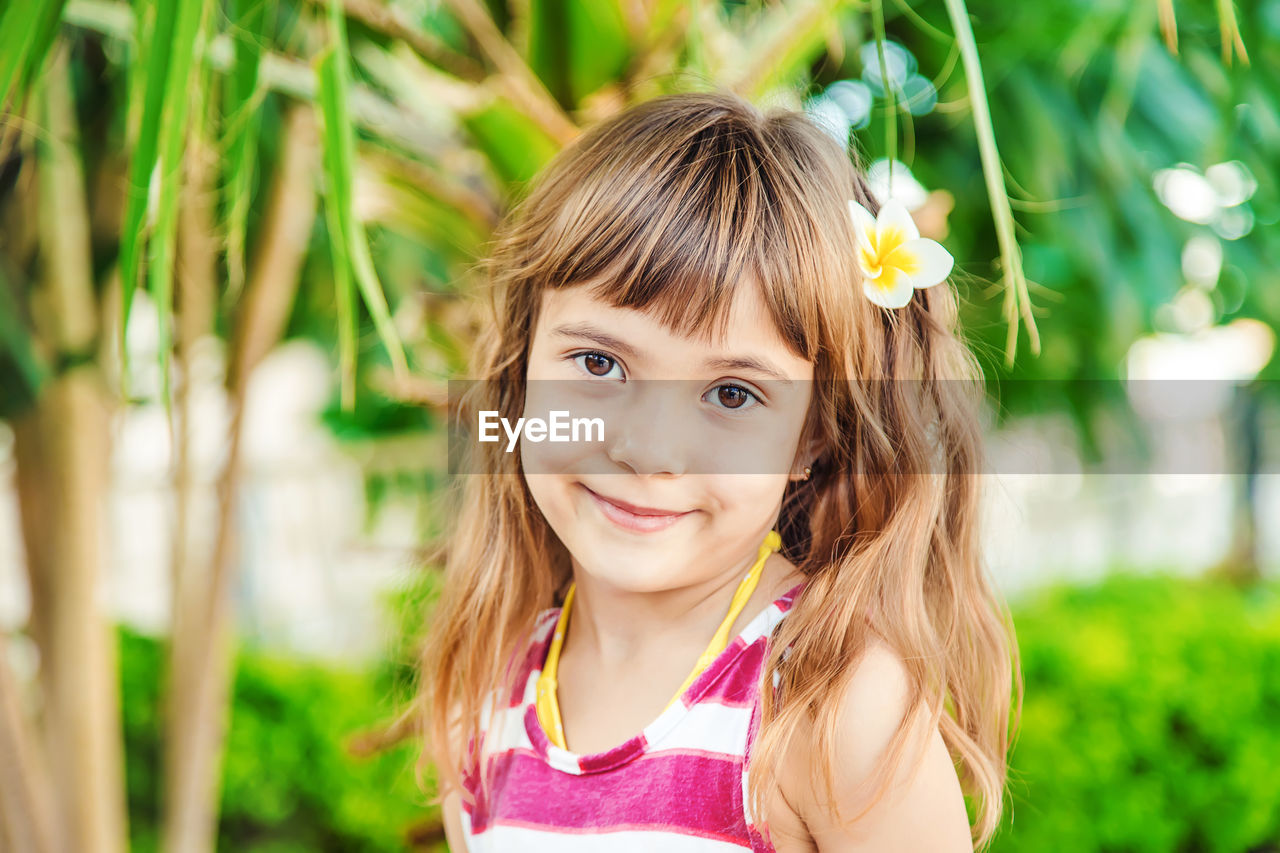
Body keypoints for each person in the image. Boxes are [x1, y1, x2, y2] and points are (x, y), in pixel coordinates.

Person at [415, 90, 1021, 852]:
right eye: (599, 362)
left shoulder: (831, 708)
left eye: (732, 393)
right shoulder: (488, 697)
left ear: (812, 437)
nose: (649, 451)